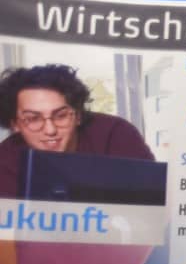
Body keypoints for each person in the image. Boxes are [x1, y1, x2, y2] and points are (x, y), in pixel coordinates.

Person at [0, 64, 153, 195]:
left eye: (61, 116)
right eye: (33, 118)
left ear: (78, 115)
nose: (50, 130)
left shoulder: (116, 134)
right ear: (15, 124)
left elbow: (153, 202)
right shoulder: (4, 160)